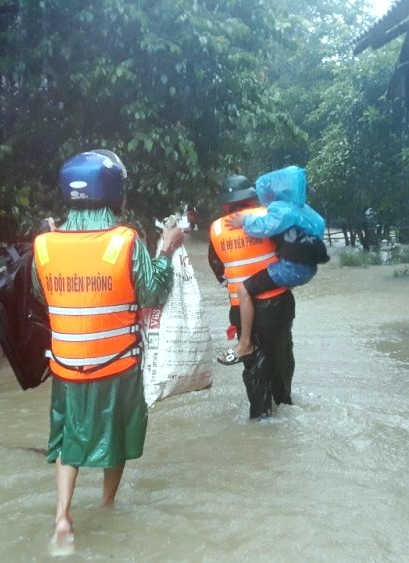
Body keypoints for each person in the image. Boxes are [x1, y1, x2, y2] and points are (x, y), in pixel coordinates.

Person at [33, 149, 184, 555]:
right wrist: (167, 249)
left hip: (65, 366)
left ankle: (63, 516)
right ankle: (106, 504)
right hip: (117, 364)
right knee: (113, 437)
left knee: (69, 440)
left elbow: (38, 293)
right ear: (117, 194)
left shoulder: (43, 244)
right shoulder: (127, 240)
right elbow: (153, 292)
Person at [208, 175, 298, 419]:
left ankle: (260, 415)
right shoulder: (268, 218)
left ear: (226, 205)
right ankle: (284, 404)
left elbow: (217, 267)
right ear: (251, 198)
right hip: (276, 303)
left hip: (240, 308)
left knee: (254, 362)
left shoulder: (216, 228)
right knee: (280, 356)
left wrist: (234, 282)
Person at [217, 166, 327, 365]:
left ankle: (244, 345)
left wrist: (244, 220)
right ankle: (283, 395)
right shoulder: (303, 209)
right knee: (282, 357)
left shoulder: (278, 210)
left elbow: (263, 227)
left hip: (289, 271)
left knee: (244, 290)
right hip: (304, 271)